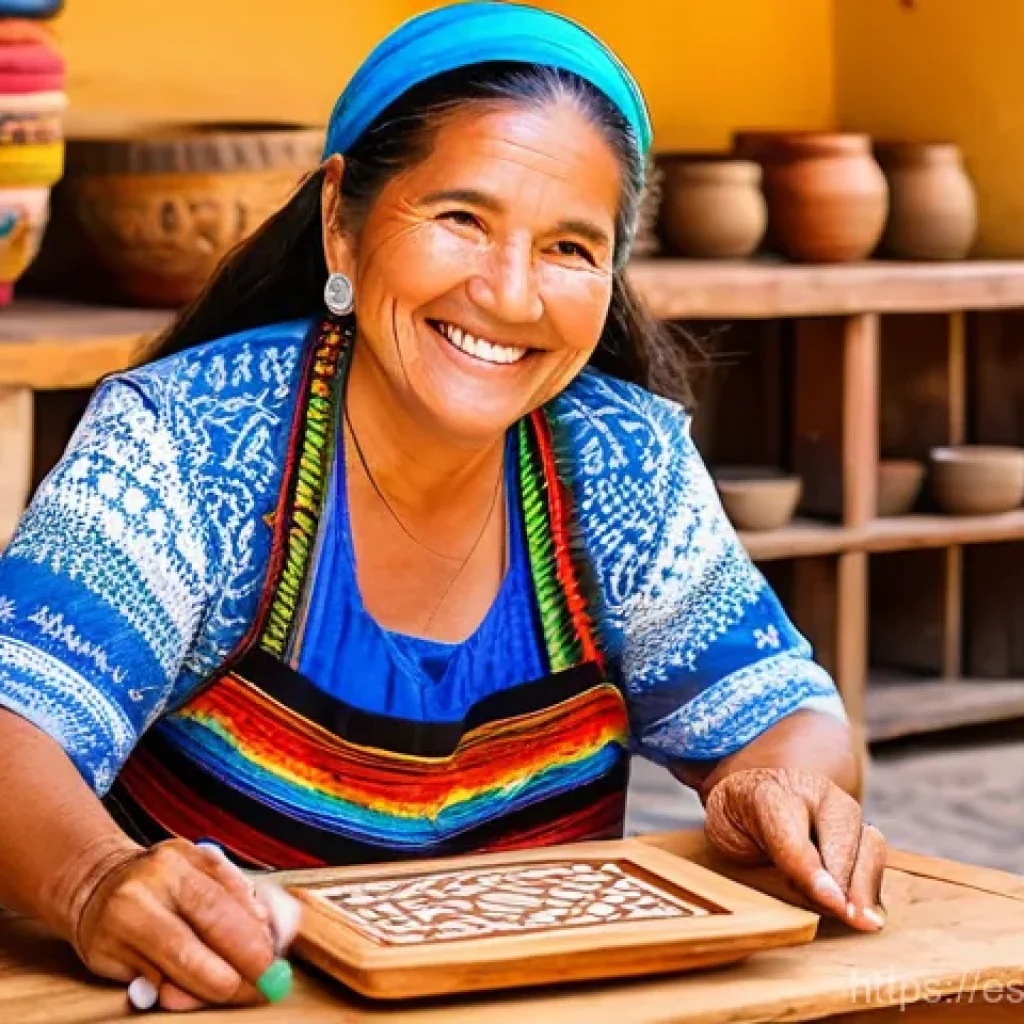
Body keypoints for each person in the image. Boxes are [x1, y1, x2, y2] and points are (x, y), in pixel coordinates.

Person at [0, 1, 886, 1011]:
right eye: (462, 218)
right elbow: (12, 724)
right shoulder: (192, 440)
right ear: (341, 217)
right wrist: (94, 881)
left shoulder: (619, 464)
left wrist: (778, 784)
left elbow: (791, 719)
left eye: (567, 247)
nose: (510, 295)